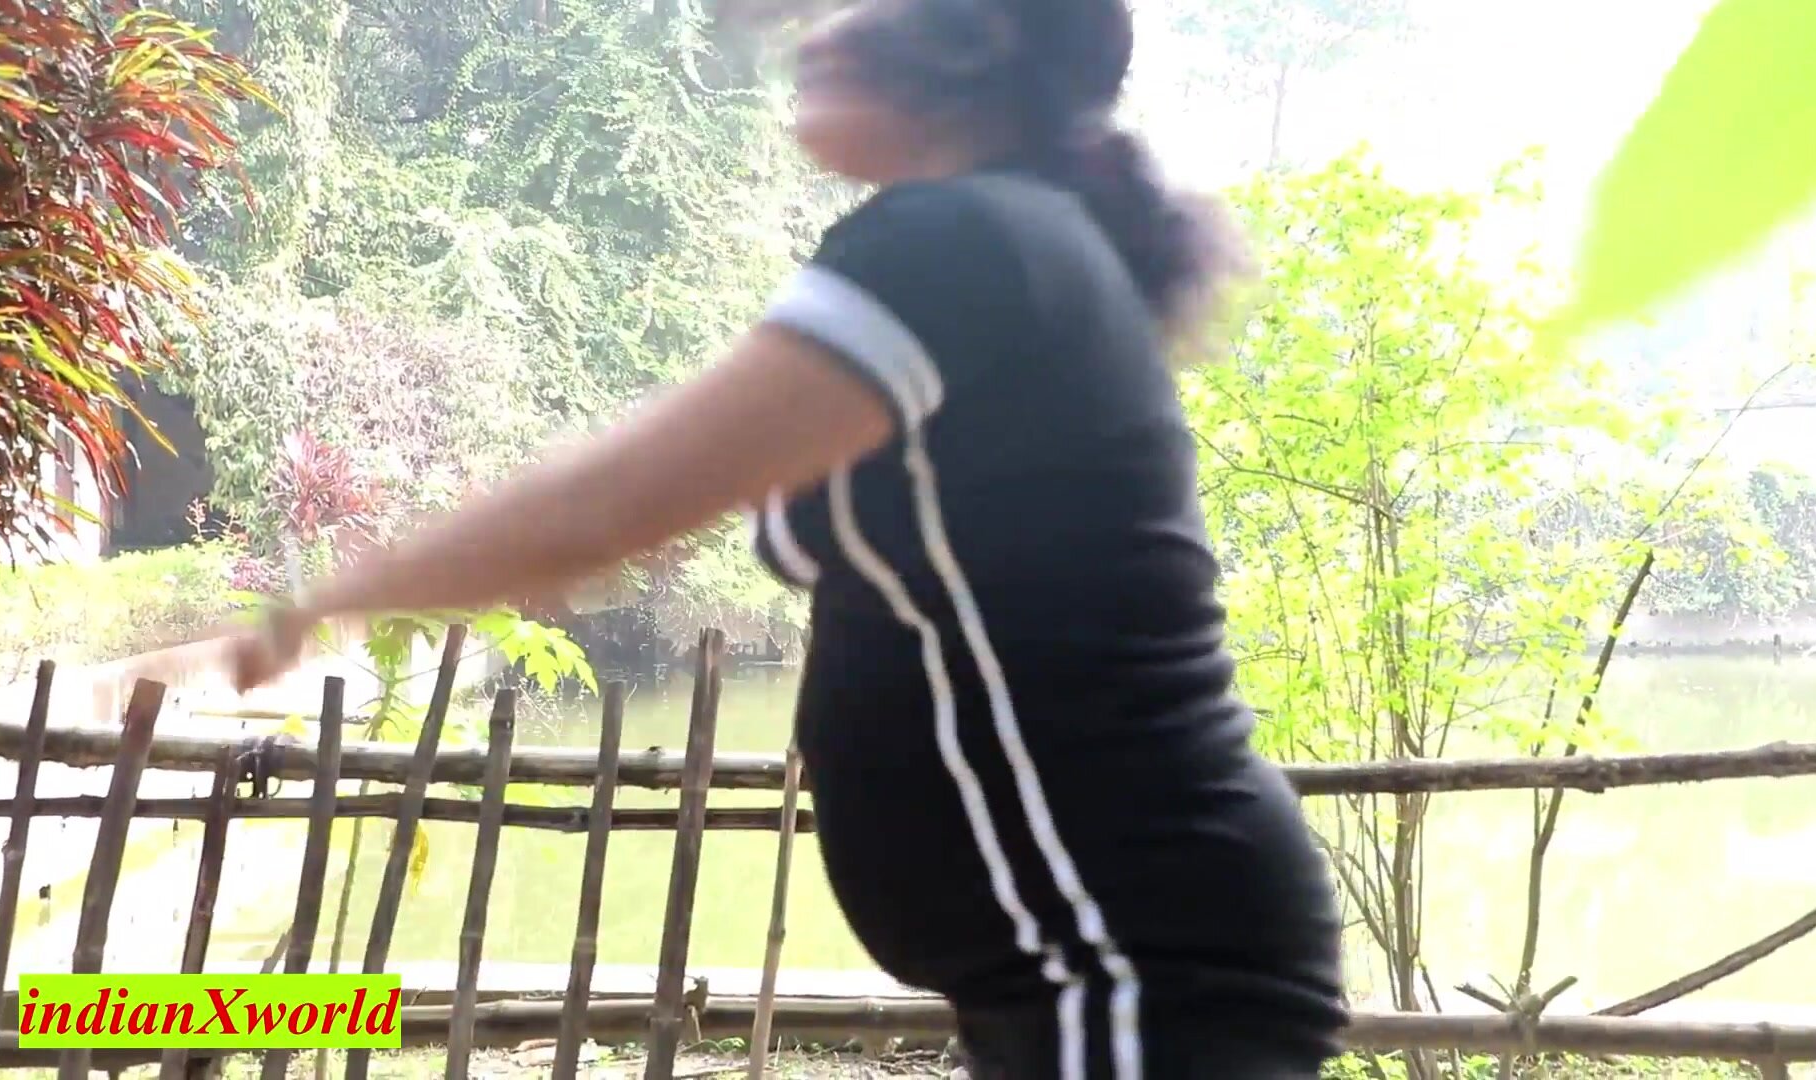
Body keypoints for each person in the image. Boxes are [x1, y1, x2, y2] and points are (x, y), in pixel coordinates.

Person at [228, 0, 1348, 1074]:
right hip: (1088, 949)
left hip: (1126, 950)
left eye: (865, 8)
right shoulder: (996, 242)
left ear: (975, 41)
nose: (820, 37)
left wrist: (325, 600)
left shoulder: (964, 240)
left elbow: (606, 506)